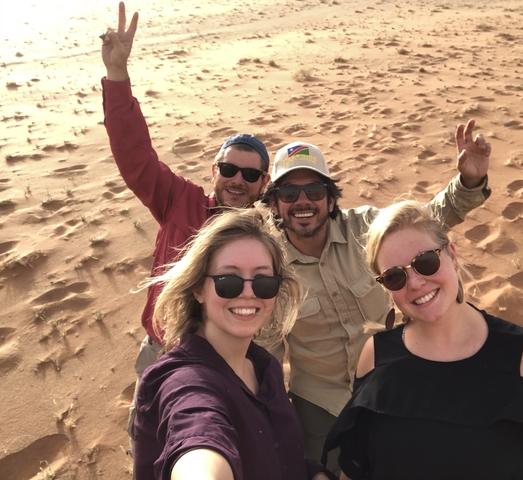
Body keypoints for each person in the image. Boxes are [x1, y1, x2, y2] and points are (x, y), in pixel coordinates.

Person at [257, 124, 492, 474]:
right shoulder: (268, 266)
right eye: (289, 192)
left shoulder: (366, 227)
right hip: (321, 403)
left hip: (393, 380)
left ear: (330, 197)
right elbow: (266, 355)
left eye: (313, 189)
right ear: (275, 203)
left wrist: (467, 183)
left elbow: (426, 224)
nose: (302, 201)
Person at [100, 2, 271, 451]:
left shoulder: (266, 231)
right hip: (164, 349)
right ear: (214, 170)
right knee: (149, 446)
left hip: (231, 357)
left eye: (251, 175)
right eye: (230, 169)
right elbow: (134, 155)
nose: (238, 181)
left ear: (263, 183)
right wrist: (118, 78)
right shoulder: (179, 200)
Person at [322, 200, 523, 479]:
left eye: (425, 262)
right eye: (395, 277)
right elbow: (356, 467)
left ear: (451, 254)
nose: (415, 283)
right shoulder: (375, 357)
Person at [134, 208, 334, 480]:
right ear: (197, 289)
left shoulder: (265, 368)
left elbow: (280, 457)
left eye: (263, 282)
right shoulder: (183, 380)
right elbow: (197, 438)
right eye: (228, 281)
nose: (249, 293)